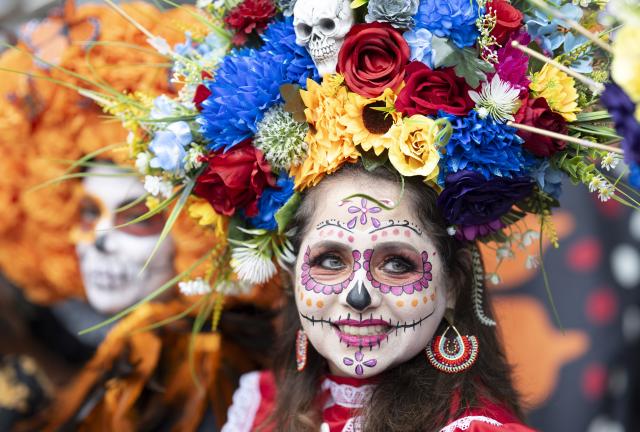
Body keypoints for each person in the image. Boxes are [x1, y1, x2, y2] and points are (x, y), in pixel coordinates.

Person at [222, 163, 532, 431]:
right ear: (292, 280)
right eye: (330, 260)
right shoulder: (259, 406)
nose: (359, 296)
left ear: (451, 285)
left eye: (397, 264)